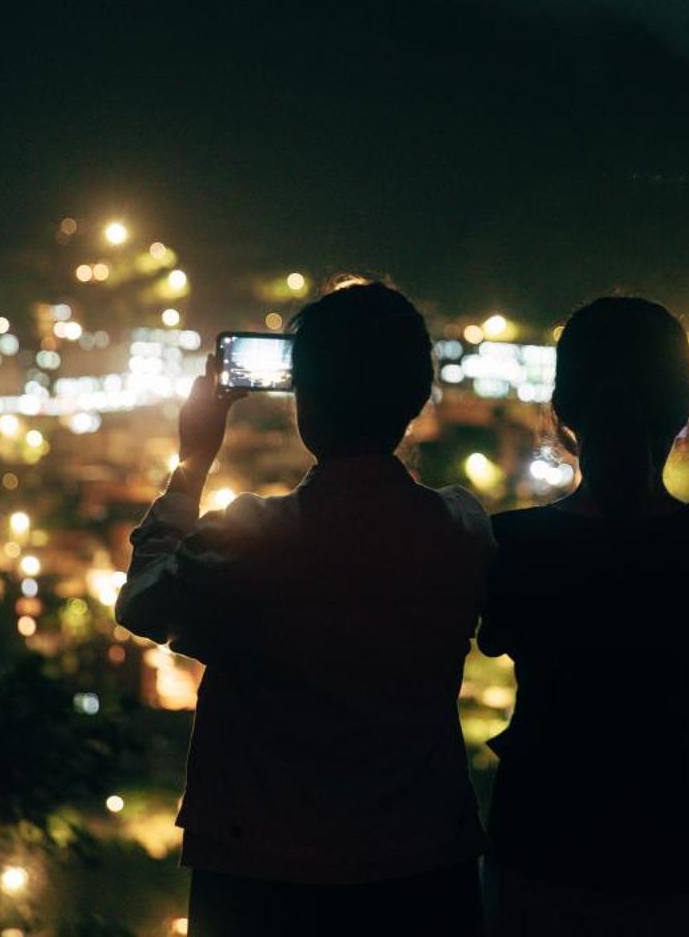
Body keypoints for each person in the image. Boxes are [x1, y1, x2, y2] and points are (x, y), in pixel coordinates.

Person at [116, 281, 494, 937]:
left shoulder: (253, 539)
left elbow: (143, 600)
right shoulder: (462, 527)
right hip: (423, 867)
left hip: (261, 876)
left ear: (304, 402)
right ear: (414, 400)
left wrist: (192, 463)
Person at [478, 296, 689, 936]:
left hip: (544, 848)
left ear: (564, 415)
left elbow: (496, 635)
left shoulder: (513, 546)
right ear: (680, 414)